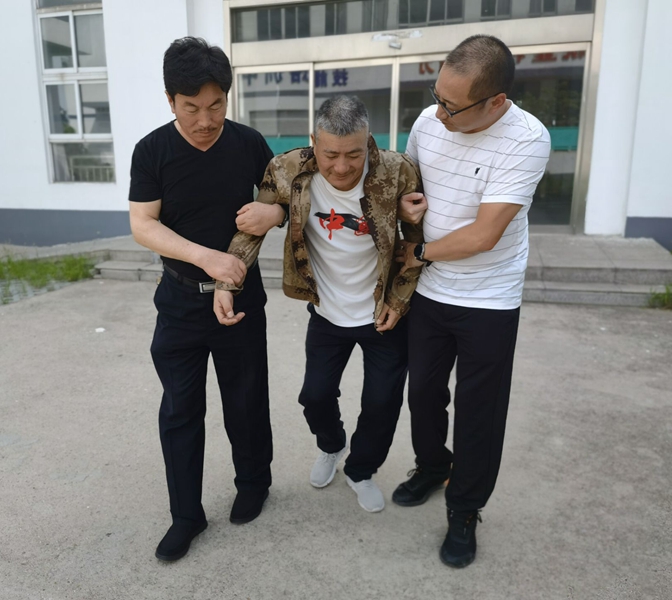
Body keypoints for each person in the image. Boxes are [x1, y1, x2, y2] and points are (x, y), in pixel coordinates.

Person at [214, 95, 425, 513]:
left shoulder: (397, 170)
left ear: (369, 141)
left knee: (382, 403)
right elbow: (254, 226)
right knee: (315, 396)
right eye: (330, 155)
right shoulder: (286, 168)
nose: (342, 167)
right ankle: (332, 445)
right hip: (326, 312)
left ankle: (361, 470)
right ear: (314, 141)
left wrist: (400, 301)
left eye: (354, 154)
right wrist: (226, 282)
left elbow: (416, 245)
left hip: (382, 312)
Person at [392, 34, 551, 568]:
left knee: (480, 410)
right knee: (423, 394)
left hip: (489, 296)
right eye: (436, 96)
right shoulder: (428, 121)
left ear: (496, 101)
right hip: (431, 290)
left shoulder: (526, 139)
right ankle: (434, 466)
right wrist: (407, 209)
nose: (438, 114)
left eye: (452, 107)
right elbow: (408, 190)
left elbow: (484, 235)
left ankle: (464, 508)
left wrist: (417, 252)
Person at [128, 37, 274, 562]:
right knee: (180, 410)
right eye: (191, 108)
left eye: (216, 105)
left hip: (243, 298)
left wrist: (274, 213)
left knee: (246, 400)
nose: (206, 120)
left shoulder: (249, 143)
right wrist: (206, 258)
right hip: (181, 301)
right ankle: (186, 515)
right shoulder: (152, 151)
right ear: (171, 100)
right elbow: (143, 223)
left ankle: (254, 483)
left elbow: (282, 195)